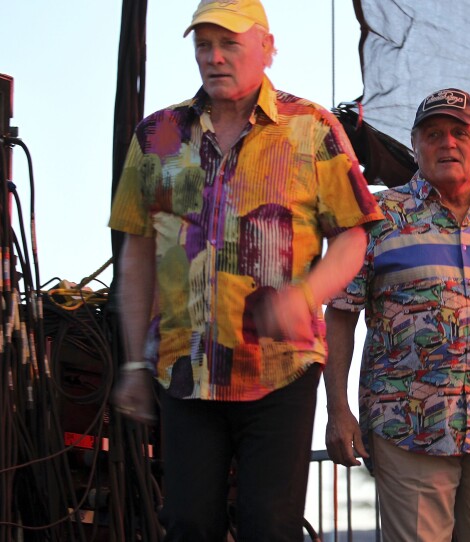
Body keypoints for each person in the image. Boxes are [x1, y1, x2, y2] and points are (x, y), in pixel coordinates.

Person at [108, 1, 382, 540]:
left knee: (270, 525)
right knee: (187, 522)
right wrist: (135, 365)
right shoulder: (157, 134)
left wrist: (304, 296)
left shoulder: (311, 128)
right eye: (203, 46)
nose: (214, 57)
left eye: (229, 44)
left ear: (267, 47)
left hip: (281, 368)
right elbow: (136, 254)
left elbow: (353, 236)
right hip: (185, 369)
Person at [323, 89, 470, 542]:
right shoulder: (375, 217)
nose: (447, 143)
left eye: (459, 132)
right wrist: (337, 409)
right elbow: (339, 315)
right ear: (415, 145)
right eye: (433, 134)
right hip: (407, 426)